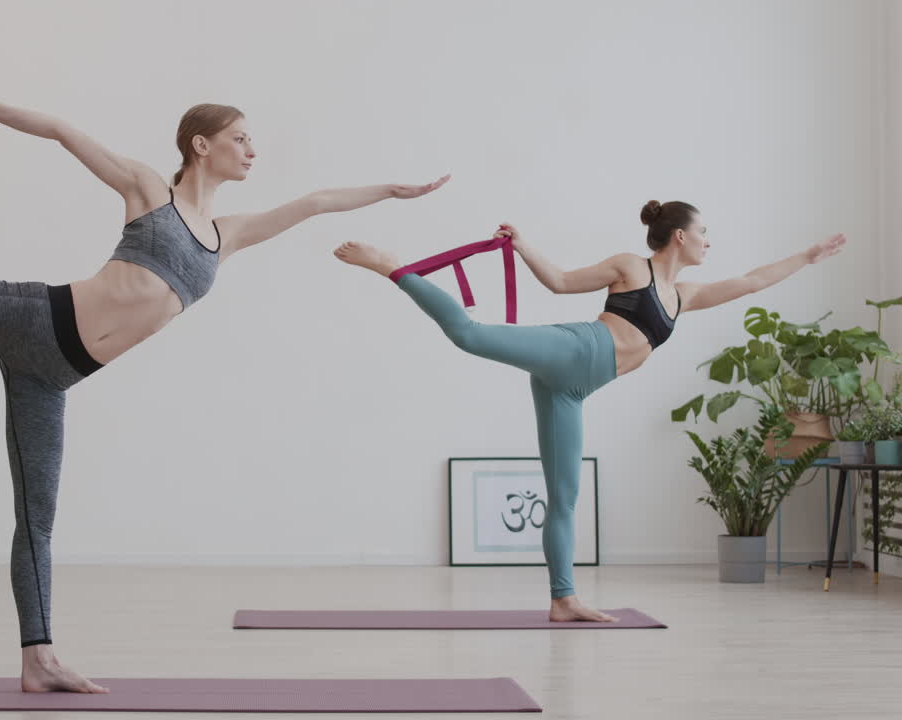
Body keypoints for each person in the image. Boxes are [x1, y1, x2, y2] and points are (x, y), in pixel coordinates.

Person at [0, 95, 447, 693]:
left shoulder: (226, 236)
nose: (252, 150)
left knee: (38, 518)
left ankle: (38, 659)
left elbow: (315, 202)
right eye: (241, 138)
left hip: (52, 376)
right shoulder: (146, 189)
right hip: (29, 317)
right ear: (201, 145)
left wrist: (391, 191)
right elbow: (58, 128)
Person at [333, 201, 847, 622]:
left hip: (573, 391)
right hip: (575, 350)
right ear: (680, 238)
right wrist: (526, 244)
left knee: (564, 496)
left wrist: (807, 256)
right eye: (704, 231)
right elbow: (558, 282)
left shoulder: (683, 296)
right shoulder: (631, 266)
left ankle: (564, 600)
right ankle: (390, 265)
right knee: (469, 335)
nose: (710, 241)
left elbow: (752, 282)